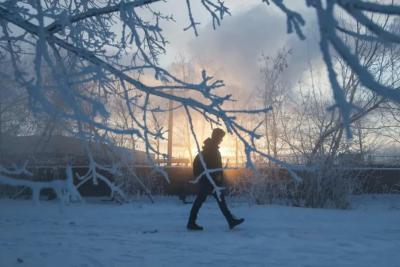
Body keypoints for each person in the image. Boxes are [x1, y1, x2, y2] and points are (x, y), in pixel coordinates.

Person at [187, 128, 244, 231]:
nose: (221, 140)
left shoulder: (210, 148)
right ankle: (191, 223)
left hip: (211, 181)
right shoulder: (211, 149)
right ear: (216, 137)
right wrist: (209, 177)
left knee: (207, 201)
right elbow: (208, 165)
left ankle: (230, 220)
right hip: (209, 181)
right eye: (221, 138)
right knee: (204, 201)